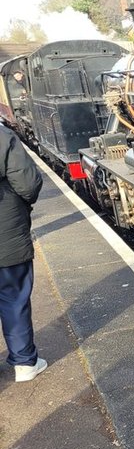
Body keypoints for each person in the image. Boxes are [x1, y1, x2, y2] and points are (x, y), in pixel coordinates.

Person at [0, 124, 45, 382]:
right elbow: (28, 184)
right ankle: (25, 362)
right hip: (6, 232)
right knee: (13, 297)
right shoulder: (2, 136)